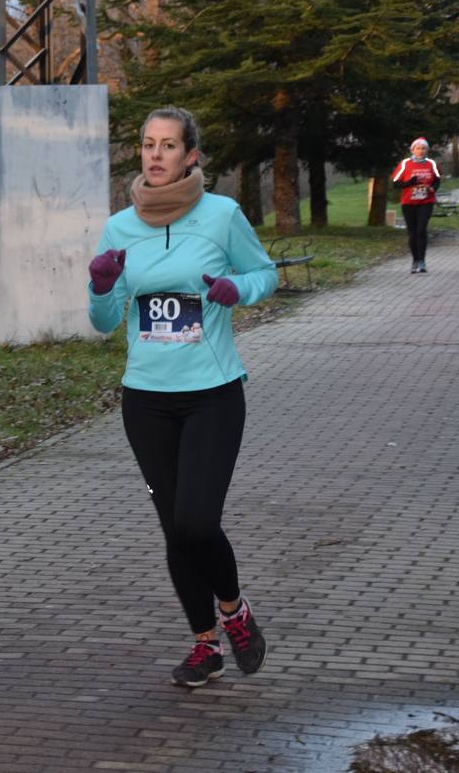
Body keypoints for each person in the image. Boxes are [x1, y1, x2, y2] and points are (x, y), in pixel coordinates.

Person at [86, 107, 278, 688]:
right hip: (146, 400)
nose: (155, 155)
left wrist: (237, 288)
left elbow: (265, 273)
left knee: (197, 522)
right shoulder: (120, 227)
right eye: (148, 144)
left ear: (190, 155)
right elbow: (103, 320)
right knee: (174, 529)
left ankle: (233, 610)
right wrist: (100, 285)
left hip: (212, 394)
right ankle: (205, 645)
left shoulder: (222, 215)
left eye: (168, 145)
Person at [391, 137, 441, 273]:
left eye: (423, 148)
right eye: (418, 148)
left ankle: (422, 261)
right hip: (408, 203)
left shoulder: (432, 164)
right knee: (412, 233)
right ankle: (415, 260)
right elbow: (395, 183)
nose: (420, 151)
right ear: (412, 150)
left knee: (421, 230)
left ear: (427, 150)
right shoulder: (405, 164)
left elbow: (437, 179)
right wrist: (409, 183)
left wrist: (433, 188)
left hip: (426, 202)